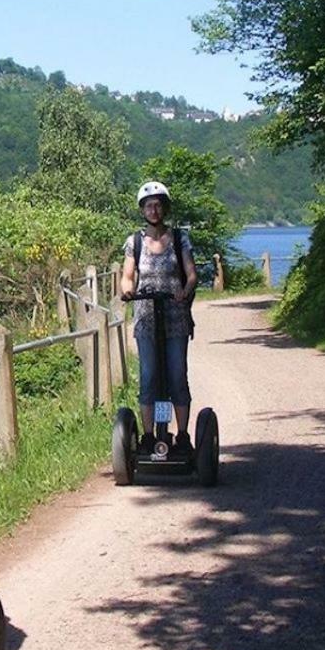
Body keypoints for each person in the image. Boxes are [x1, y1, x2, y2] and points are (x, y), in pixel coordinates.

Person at [120, 181, 198, 454]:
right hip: (146, 320)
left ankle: (184, 435)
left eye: (158, 205)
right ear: (142, 210)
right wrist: (127, 291)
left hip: (176, 318)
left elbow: (190, 274)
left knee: (177, 375)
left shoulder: (179, 239)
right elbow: (127, 277)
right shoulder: (135, 242)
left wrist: (185, 291)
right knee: (149, 376)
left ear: (164, 208)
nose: (154, 210)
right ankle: (150, 436)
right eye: (148, 206)